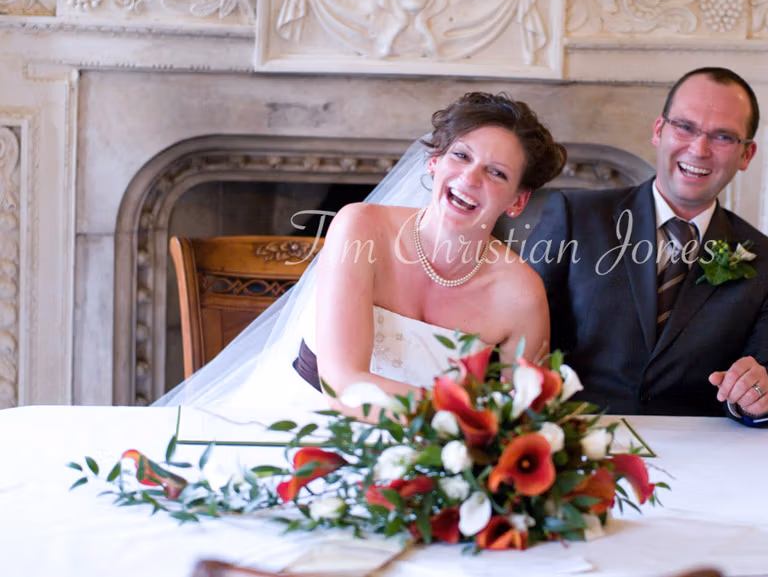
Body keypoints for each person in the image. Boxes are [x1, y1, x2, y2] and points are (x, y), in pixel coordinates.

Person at [156, 92, 567, 414]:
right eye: (461, 156)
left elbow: (525, 418)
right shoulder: (360, 228)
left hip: (435, 460)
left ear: (517, 201)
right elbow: (343, 384)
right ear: (434, 162)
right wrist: (467, 419)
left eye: (496, 173)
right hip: (301, 424)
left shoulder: (521, 295)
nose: (470, 178)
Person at [526, 67, 768, 426]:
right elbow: (516, 336)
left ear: (746, 155)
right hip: (575, 447)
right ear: (659, 130)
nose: (699, 149)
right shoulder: (574, 216)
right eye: (685, 127)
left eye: (722, 137)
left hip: (700, 461)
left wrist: (760, 396)